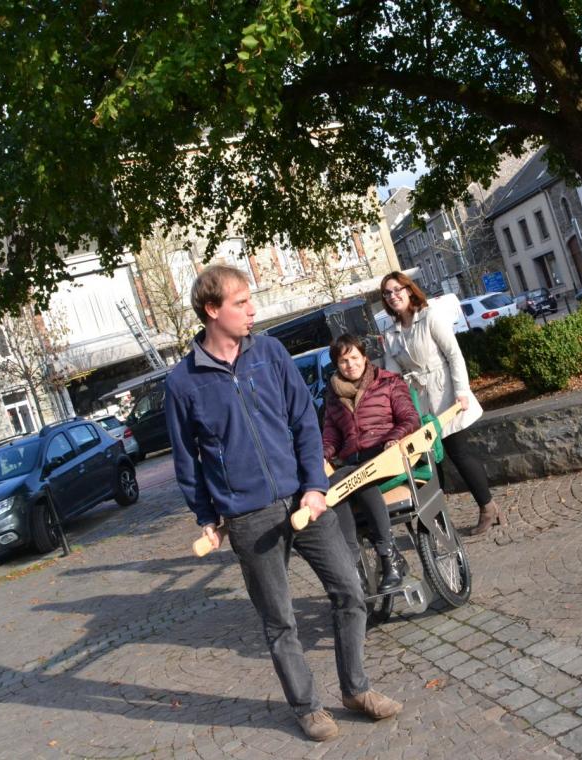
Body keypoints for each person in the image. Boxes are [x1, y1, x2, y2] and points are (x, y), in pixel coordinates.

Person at [164, 265, 401, 742]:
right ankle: (307, 706)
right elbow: (187, 459)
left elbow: (304, 423)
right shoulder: (182, 383)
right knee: (279, 620)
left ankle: (356, 689)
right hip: (249, 517)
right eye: (241, 302)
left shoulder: (269, 353)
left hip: (304, 498)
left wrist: (314, 485)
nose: (253, 309)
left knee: (350, 592)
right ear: (212, 311)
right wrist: (208, 517)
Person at [379, 271, 504, 535]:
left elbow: (454, 355)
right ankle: (436, 521)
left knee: (458, 452)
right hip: (418, 403)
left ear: (409, 289)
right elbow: (392, 379)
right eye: (387, 293)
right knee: (429, 463)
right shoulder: (390, 335)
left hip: (445, 394)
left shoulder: (429, 316)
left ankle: (488, 507)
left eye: (397, 289)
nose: (393, 296)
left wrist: (462, 391)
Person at [322, 334, 421, 592]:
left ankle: (388, 558)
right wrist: (321, 453)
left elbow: (409, 418)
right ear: (337, 364)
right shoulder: (332, 395)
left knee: (360, 480)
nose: (350, 365)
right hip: (352, 461)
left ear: (364, 357)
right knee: (334, 487)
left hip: (386, 456)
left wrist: (394, 438)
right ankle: (353, 565)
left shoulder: (388, 382)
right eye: (343, 361)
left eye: (354, 357)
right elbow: (331, 434)